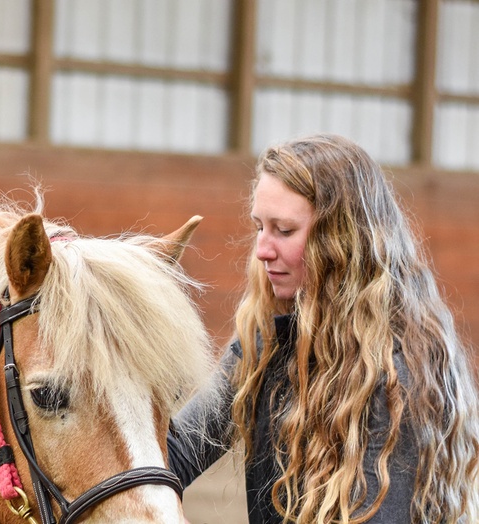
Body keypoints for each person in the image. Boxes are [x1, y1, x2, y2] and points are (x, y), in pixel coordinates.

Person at [169, 134, 479, 523]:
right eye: (259, 228)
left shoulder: (397, 375)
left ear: (340, 241)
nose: (263, 250)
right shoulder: (267, 339)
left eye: (284, 231)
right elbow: (177, 453)